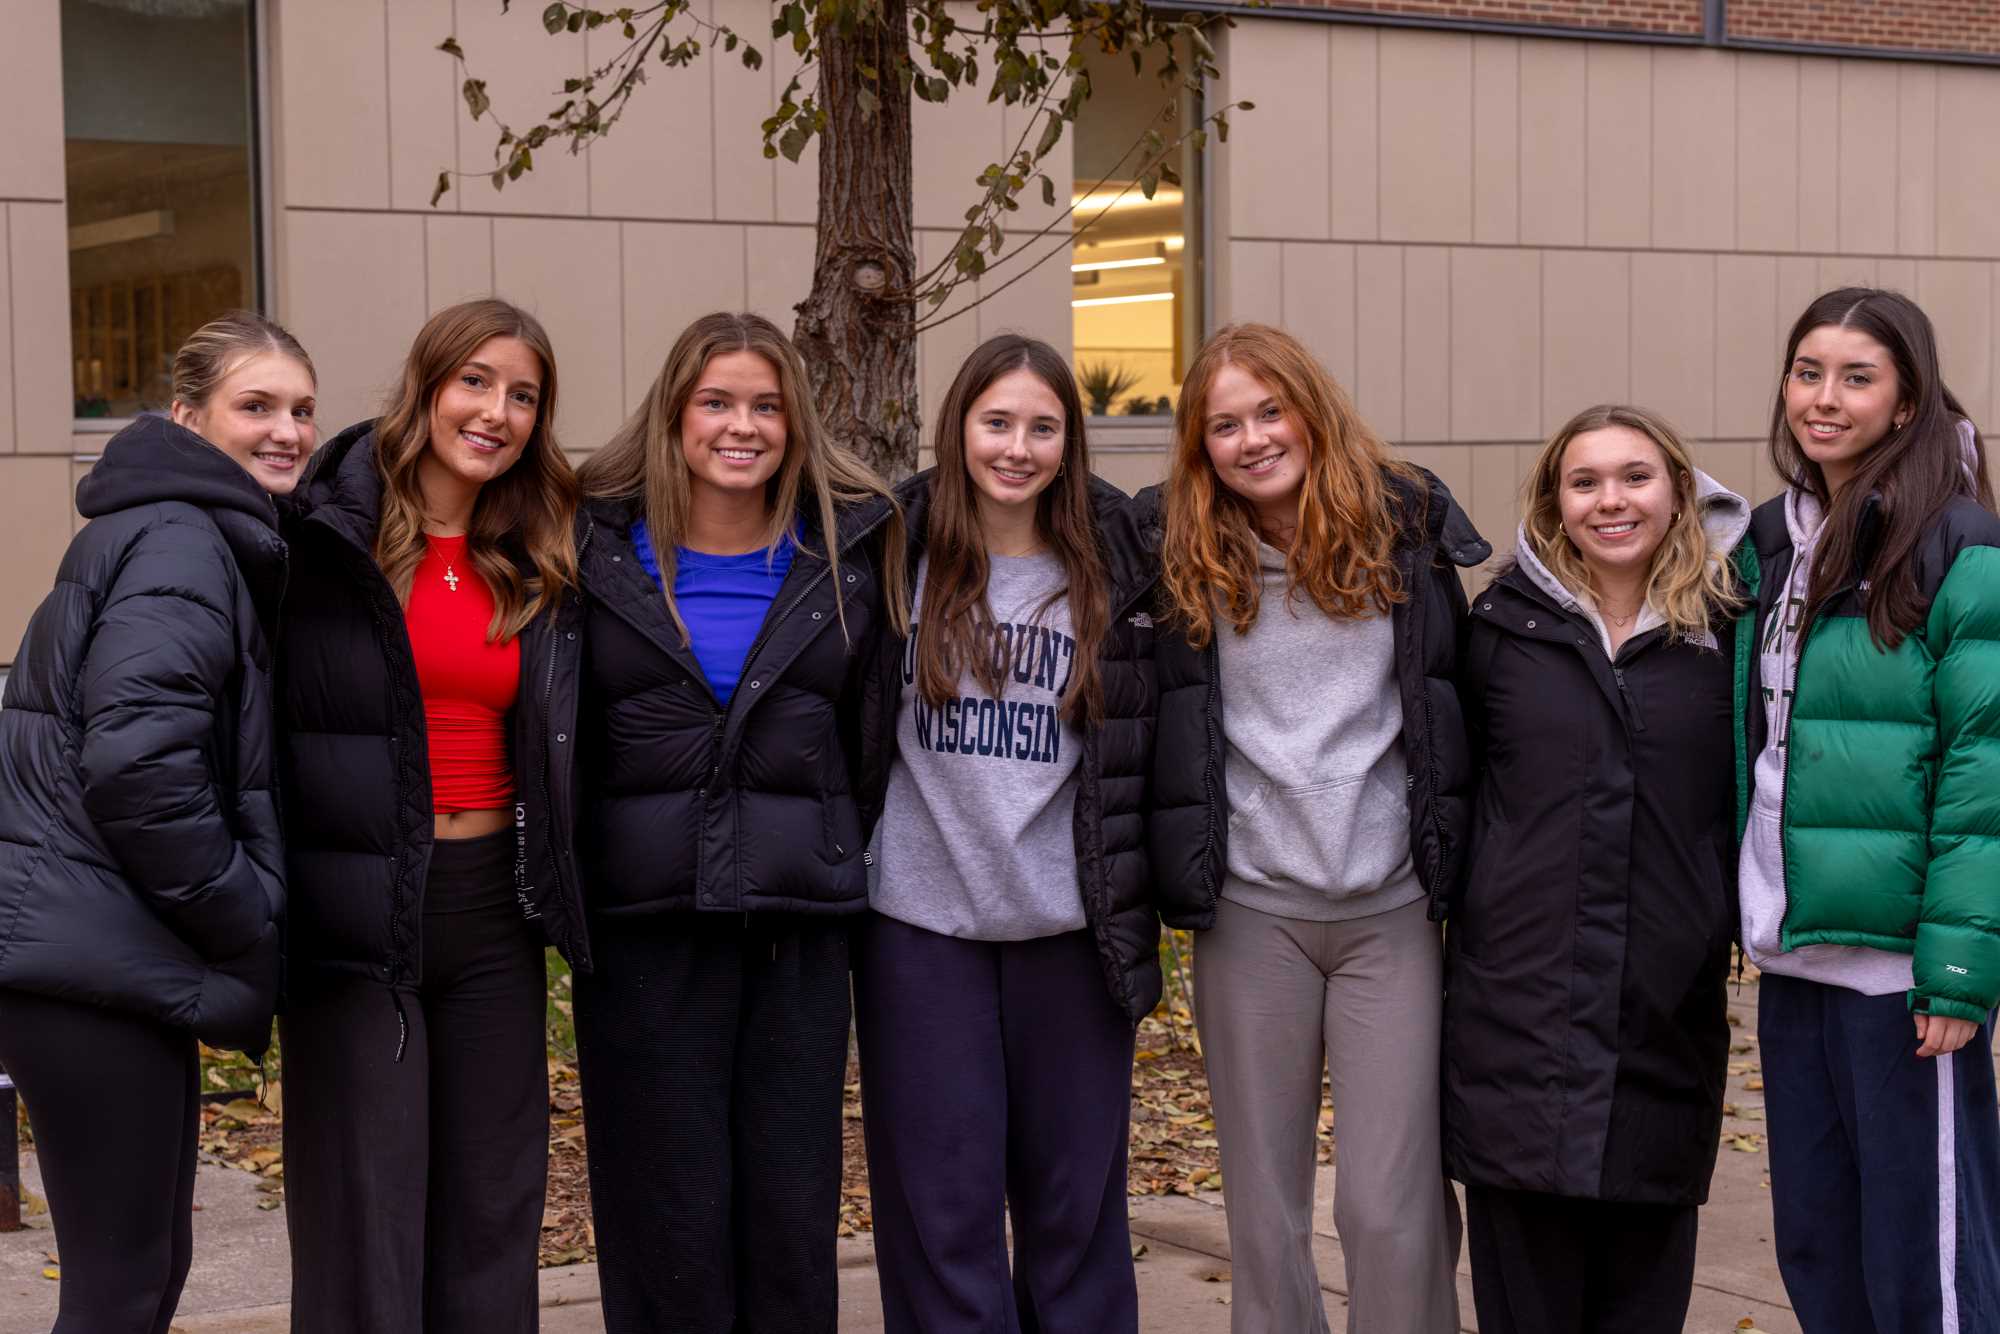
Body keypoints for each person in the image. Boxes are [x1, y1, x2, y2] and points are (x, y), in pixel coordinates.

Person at [569, 311, 904, 1333]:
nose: (741, 425)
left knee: (790, 1201)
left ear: (795, 424)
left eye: (765, 405)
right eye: (716, 401)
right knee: (660, 1203)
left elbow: (869, 739)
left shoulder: (846, 553)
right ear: (674, 416)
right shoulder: (592, 552)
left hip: (795, 924)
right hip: (643, 926)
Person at [1144, 322, 1482, 1334]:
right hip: (1253, 914)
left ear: (1310, 408)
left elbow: (1452, 699)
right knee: (1263, 1208)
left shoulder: (1405, 529)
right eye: (1223, 425)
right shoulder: (1177, 553)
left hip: (1390, 909)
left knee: (1390, 1205)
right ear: (1198, 447)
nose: (1251, 439)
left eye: (1268, 410)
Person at [0, 311, 315, 1333]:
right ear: (188, 417)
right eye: (255, 405)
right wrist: (246, 912)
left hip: (97, 958)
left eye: (303, 408)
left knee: (138, 1272)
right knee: (122, 1284)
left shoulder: (176, 531)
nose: (288, 430)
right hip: (92, 968)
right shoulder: (181, 541)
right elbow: (139, 766)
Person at [274, 298, 585, 1333]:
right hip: (360, 913)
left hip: (491, 910)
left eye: (523, 395)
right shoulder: (327, 537)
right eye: (476, 381)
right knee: (367, 1211)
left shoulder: (537, 549)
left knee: (492, 1205)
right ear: (428, 385)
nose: (495, 411)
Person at [851, 334, 1160, 1334]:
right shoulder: (893, 550)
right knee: (939, 1210)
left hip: (1070, 930)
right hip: (918, 928)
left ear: (1069, 441)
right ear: (959, 430)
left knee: (1073, 1212)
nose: (1016, 446)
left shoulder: (1114, 565)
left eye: (1041, 425)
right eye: (995, 422)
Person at [1442, 404, 1746, 1333]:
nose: (1611, 500)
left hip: (1664, 1018)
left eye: (1635, 477)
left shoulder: (1729, 633)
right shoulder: (1498, 632)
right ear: (1553, 502)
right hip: (1516, 1025)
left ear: (1680, 491)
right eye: (1585, 482)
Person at [1738, 287, 2000, 1333]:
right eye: (1807, 371)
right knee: (1818, 1242)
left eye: (1856, 376)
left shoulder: (1957, 542)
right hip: (1793, 949)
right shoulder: (1771, 538)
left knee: (1924, 1259)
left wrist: (1954, 967)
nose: (1822, 397)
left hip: (1898, 972)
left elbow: (1982, 769)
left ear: (1905, 403)